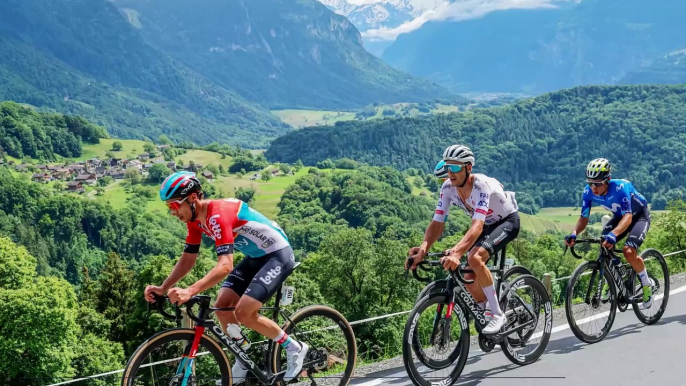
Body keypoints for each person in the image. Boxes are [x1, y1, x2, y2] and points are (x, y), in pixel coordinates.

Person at [144, 171, 308, 384]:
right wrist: (163, 287)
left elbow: (225, 266)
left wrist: (190, 290)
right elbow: (187, 259)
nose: (173, 213)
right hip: (256, 256)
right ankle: (243, 358)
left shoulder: (218, 215)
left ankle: (294, 348)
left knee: (244, 312)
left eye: (175, 206)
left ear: (193, 198)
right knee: (222, 307)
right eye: (169, 208)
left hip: (278, 254)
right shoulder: (195, 221)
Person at [407, 145, 521, 334]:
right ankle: (487, 307)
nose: (450, 173)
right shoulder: (447, 187)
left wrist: (458, 252)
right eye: (447, 166)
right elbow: (437, 223)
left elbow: (476, 226)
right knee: (468, 276)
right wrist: (423, 249)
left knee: (474, 258)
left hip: (507, 221)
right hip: (486, 225)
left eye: (455, 168)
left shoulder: (480, 185)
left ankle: (497, 313)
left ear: (468, 168)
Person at [564, 158, 654, 309]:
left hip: (639, 216)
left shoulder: (621, 187)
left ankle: (646, 284)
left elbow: (628, 216)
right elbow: (584, 218)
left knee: (628, 251)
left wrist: (614, 234)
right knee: (604, 244)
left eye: (598, 183)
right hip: (621, 217)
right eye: (590, 183)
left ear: (608, 179)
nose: (594, 187)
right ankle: (612, 278)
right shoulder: (588, 192)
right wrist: (574, 233)